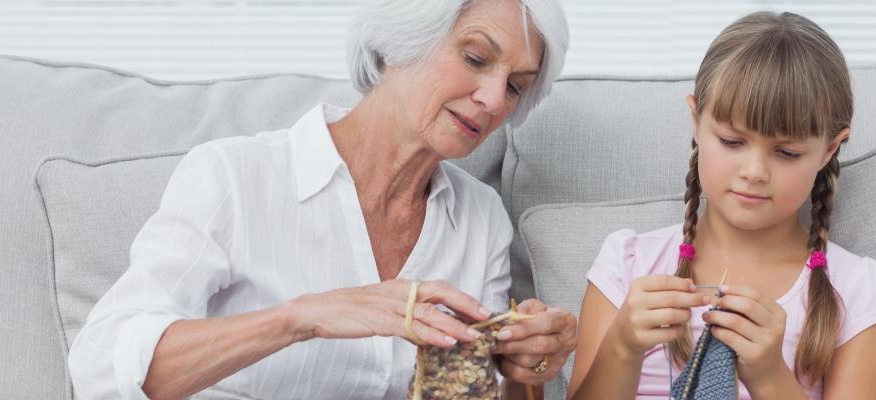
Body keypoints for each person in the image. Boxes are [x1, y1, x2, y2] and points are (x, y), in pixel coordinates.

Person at [67, 1, 576, 399]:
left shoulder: (479, 218)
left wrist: (525, 368)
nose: (492, 100)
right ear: (395, 46)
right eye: (474, 58)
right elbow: (99, 369)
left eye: (515, 87)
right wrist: (302, 318)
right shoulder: (235, 177)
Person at [569, 11, 876, 400]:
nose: (755, 171)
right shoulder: (627, 264)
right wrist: (622, 347)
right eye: (732, 142)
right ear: (696, 121)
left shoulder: (858, 291)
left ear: (830, 149)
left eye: (787, 152)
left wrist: (769, 377)